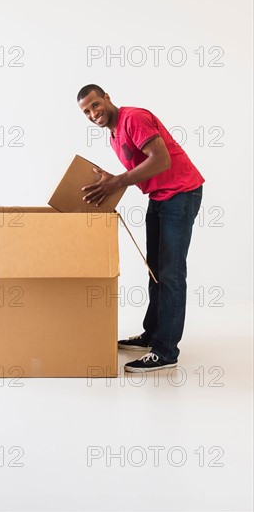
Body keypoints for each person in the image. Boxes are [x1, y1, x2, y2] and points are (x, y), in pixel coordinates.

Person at [77, 84, 204, 372]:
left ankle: (166, 352)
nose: (92, 113)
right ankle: (153, 335)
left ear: (107, 98)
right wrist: (112, 179)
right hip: (159, 197)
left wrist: (117, 181)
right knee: (156, 270)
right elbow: (142, 168)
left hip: (181, 194)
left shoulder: (132, 118)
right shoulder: (113, 134)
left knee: (170, 272)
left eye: (95, 105)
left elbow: (161, 159)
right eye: (86, 111)